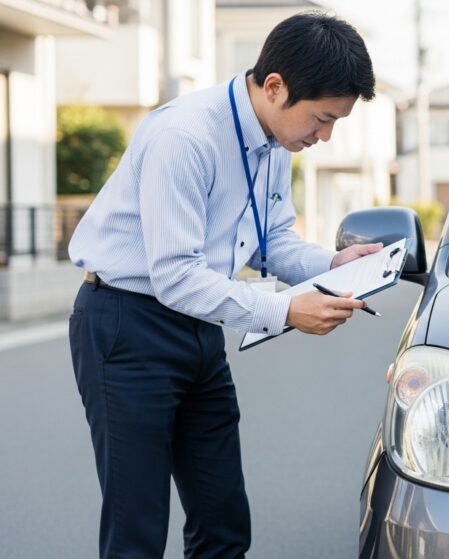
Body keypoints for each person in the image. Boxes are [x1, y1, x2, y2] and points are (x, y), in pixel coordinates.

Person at [67, 12, 377, 558]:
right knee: (136, 529)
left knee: (223, 522)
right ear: (276, 86)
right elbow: (175, 276)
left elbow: (271, 239)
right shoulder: (184, 136)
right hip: (126, 324)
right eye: (322, 118)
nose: (324, 136)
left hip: (199, 324)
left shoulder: (276, 144)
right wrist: (285, 312)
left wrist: (334, 262)